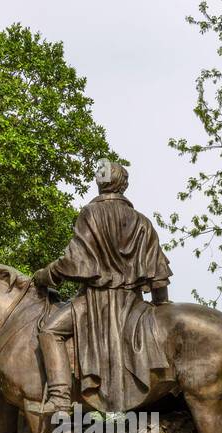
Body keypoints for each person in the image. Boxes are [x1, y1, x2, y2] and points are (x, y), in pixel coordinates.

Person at [32, 161, 172, 414]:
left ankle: (60, 397)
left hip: (94, 302)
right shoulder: (142, 222)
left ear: (99, 183)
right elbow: (158, 275)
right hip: (133, 303)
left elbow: (75, 262)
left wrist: (46, 275)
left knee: (48, 330)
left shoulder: (90, 214)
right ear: (124, 185)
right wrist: (161, 305)